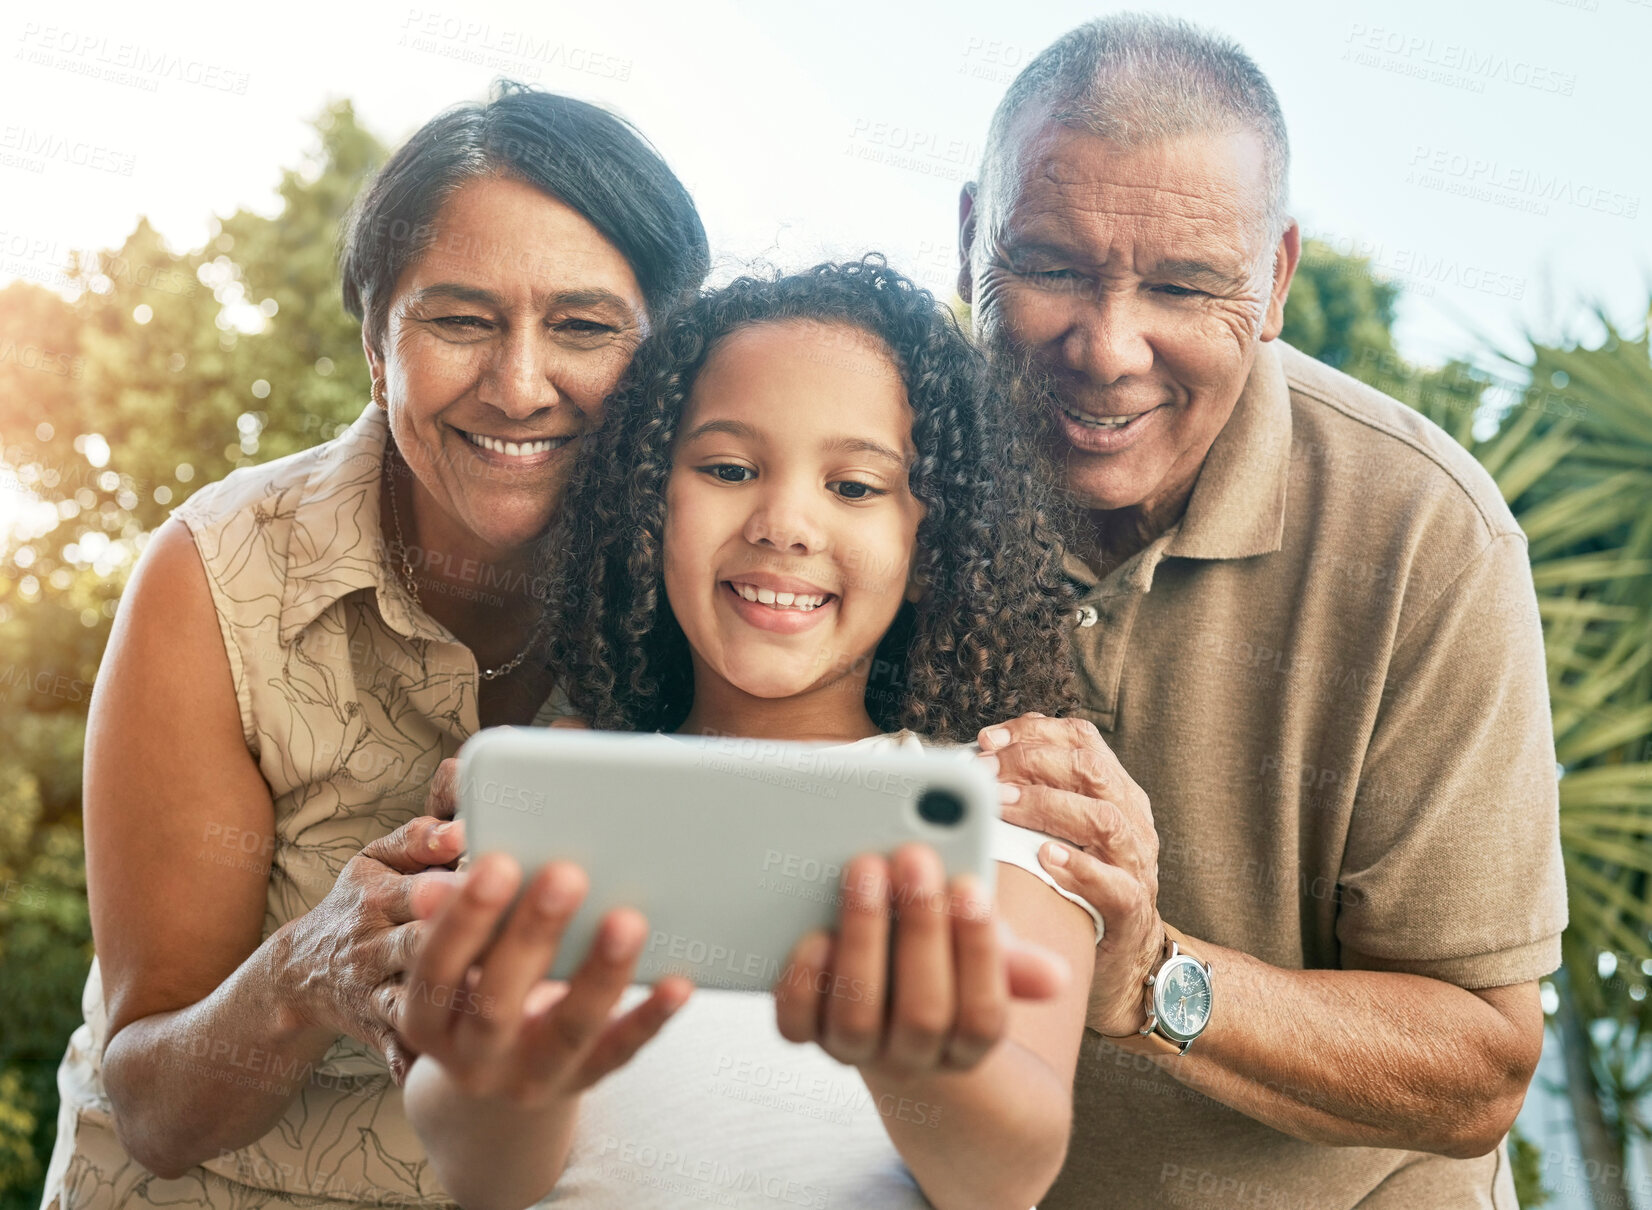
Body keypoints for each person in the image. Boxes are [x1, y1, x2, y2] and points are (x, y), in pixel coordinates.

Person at [43, 83, 708, 1210]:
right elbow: (151, 1104)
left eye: (586, 326)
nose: (519, 383)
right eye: (459, 319)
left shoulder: (739, 572)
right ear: (373, 343)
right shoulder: (216, 573)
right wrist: (306, 973)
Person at [952, 15, 1566, 1208]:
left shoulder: (1425, 532)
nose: (1108, 348)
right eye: (1051, 266)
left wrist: (1146, 977)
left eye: (1183, 285)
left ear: (1274, 279)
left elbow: (1478, 1068)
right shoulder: (862, 466)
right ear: (970, 234)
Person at [397, 258, 1105, 1210]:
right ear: (651, 507)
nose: (784, 524)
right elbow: (477, 1171)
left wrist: (916, 1065)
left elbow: (1009, 1176)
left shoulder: (999, 814)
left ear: (931, 548)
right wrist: (510, 1078)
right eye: (729, 470)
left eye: (855, 487)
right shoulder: (557, 795)